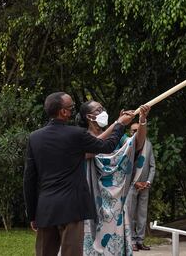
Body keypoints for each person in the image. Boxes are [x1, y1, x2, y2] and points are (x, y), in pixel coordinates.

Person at [23, 92, 134, 256]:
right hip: (72, 208)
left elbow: (29, 179)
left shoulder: (35, 137)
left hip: (46, 209)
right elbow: (107, 146)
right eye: (71, 107)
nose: (73, 110)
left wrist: (32, 214)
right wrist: (119, 124)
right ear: (63, 112)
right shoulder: (76, 134)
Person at [77, 100, 150, 256]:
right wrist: (118, 124)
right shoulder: (82, 137)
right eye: (99, 109)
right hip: (91, 198)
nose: (103, 111)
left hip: (115, 201)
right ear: (89, 116)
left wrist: (142, 120)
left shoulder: (117, 137)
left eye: (103, 108)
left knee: (113, 241)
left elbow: (137, 144)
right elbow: (93, 147)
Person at [126, 122, 156, 251]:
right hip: (131, 185)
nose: (135, 133)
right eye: (133, 131)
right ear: (129, 132)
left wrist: (148, 182)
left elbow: (152, 166)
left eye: (138, 130)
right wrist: (134, 182)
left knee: (142, 215)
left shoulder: (148, 145)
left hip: (145, 186)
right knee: (130, 214)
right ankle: (131, 241)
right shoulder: (127, 145)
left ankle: (140, 240)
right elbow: (124, 167)